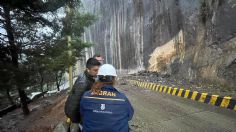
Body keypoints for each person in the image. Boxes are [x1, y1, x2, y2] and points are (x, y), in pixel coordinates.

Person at [80, 64, 134, 132]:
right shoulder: (122, 98)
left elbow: (82, 114)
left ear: (98, 78)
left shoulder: (86, 96)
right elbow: (129, 116)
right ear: (114, 79)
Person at [64, 58, 101, 132]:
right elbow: (74, 104)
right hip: (75, 115)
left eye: (98, 70)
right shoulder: (83, 83)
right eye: (95, 70)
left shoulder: (87, 76)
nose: (97, 72)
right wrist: (78, 120)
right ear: (88, 69)